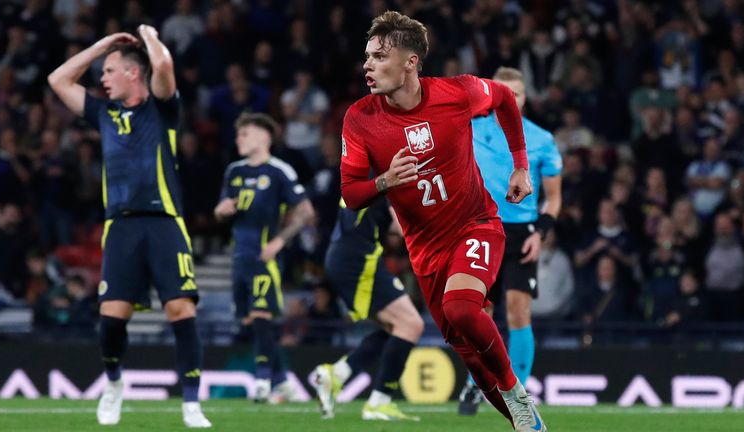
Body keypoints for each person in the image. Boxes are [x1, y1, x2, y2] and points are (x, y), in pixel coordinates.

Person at [340, 11, 546, 432]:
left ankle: (516, 391)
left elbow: (505, 98)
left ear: (411, 62)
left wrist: (520, 166)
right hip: (426, 251)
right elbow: (350, 193)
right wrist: (384, 180)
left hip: (477, 224)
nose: (368, 65)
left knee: (462, 307)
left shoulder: (458, 93)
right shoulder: (360, 118)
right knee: (468, 351)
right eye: (367, 57)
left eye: (379, 56)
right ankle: (527, 426)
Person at [47, 26, 211, 428]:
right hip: (119, 226)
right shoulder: (103, 113)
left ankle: (191, 403)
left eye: (109, 69)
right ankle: (114, 382)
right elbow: (57, 79)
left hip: (165, 223)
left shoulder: (162, 108)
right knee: (111, 319)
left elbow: (164, 64)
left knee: (180, 308)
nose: (102, 77)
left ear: (133, 74)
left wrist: (147, 36)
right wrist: (103, 46)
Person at [459, 66, 562, 415]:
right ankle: (477, 387)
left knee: (519, 313)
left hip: (522, 232)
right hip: (479, 226)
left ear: (524, 98)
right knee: (478, 313)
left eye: (515, 94)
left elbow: (554, 198)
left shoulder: (542, 139)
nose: (509, 99)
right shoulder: (471, 127)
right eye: (503, 92)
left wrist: (541, 233)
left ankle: (518, 398)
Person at [214, 113, 315, 403]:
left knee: (261, 318)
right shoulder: (234, 171)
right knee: (252, 324)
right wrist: (221, 210)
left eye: (244, 134)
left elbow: (306, 212)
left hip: (264, 258)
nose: (238, 139)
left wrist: (280, 241)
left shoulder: (278, 171)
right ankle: (283, 381)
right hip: (239, 258)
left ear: (263, 137)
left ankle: (262, 383)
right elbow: (220, 211)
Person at [312, 197, 424, 421]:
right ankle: (379, 403)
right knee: (412, 324)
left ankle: (337, 374)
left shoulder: (362, 174)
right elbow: (404, 228)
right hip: (359, 260)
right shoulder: (386, 176)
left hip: (345, 255)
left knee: (398, 327)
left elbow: (384, 222)